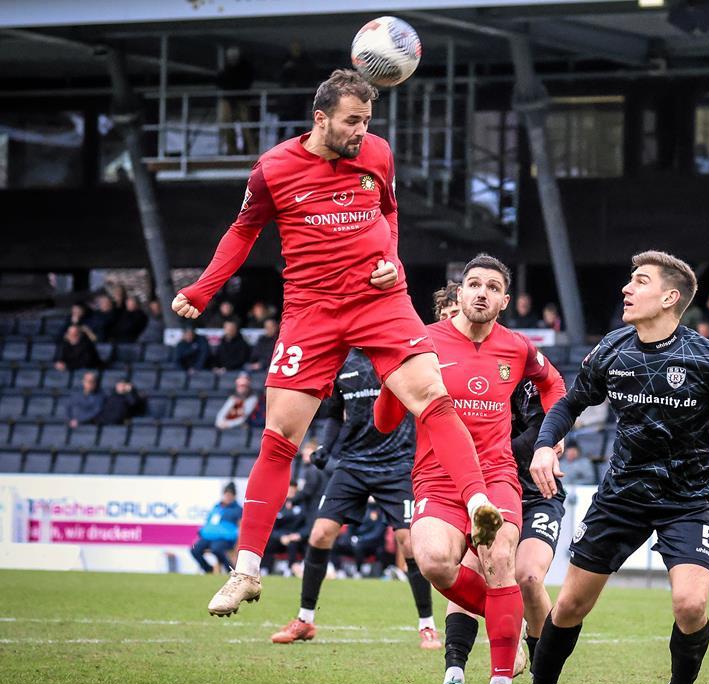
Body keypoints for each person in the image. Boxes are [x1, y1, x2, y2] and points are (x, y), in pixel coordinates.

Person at [172, 69, 500, 617]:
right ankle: (246, 571)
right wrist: (204, 290)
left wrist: (391, 261)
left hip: (379, 303)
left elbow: (390, 214)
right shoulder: (274, 168)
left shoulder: (376, 154)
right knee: (280, 434)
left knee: (431, 396)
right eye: (352, 121)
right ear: (320, 118)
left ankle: (478, 501)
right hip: (311, 310)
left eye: (368, 121)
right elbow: (243, 231)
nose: (361, 131)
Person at [488, 250, 709, 684]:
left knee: (690, 605)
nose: (626, 289)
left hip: (689, 498)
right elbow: (570, 403)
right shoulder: (613, 348)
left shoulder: (708, 357)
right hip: (622, 495)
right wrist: (543, 447)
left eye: (639, 281)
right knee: (572, 604)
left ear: (669, 297)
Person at [374, 255, 566, 684]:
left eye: (493, 286)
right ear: (457, 294)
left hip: (497, 475)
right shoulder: (423, 341)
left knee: (500, 560)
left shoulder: (517, 348)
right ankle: (510, 617)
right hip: (437, 478)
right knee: (434, 561)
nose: (481, 292)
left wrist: (550, 438)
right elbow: (384, 423)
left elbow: (554, 384)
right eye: (473, 284)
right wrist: (392, 376)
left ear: (504, 300)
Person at [269, 348, 440, 648]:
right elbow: (335, 414)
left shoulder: (397, 356)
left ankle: (427, 625)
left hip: (396, 464)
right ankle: (305, 620)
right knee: (320, 534)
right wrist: (326, 446)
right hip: (353, 463)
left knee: (410, 543)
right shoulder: (341, 363)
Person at [438, 369, 571, 684]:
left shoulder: (521, 373)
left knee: (528, 576)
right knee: (470, 565)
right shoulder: (449, 375)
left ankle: (543, 681)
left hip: (538, 492)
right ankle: (454, 676)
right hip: (485, 491)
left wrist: (485, 450)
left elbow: (545, 428)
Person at [190, 483, 243, 574]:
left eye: (230, 495)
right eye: (226, 495)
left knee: (216, 549)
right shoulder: (216, 507)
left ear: (234, 496)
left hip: (225, 539)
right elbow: (208, 523)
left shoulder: (238, 509)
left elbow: (241, 526)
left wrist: (238, 544)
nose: (227, 497)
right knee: (195, 549)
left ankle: (230, 570)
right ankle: (208, 570)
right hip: (208, 538)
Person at [217, 45, 256, 155]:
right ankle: (231, 150)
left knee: (246, 127)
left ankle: (249, 150)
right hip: (229, 101)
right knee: (227, 126)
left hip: (242, 101)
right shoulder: (226, 69)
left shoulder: (245, 68)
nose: (232, 59)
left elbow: (246, 82)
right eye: (230, 57)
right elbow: (221, 81)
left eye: (234, 57)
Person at [263, 483, 308, 575]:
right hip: (280, 537)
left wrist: (298, 535)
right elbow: (271, 527)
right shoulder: (277, 505)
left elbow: (307, 525)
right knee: (267, 542)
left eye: (293, 490)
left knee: (294, 544)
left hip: (296, 537)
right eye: (289, 490)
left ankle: (291, 568)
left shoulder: (303, 506)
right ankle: (265, 568)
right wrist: (280, 537)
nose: (291, 492)